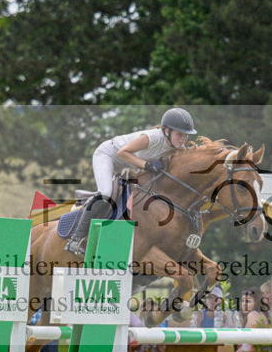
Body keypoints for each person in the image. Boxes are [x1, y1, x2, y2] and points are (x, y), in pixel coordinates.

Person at [65, 107, 197, 255]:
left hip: (129, 165)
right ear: (167, 131)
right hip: (109, 156)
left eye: (186, 135)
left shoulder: (178, 148)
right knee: (106, 194)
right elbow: (122, 153)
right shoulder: (152, 138)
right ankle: (75, 239)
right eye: (179, 134)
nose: (183, 139)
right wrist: (147, 165)